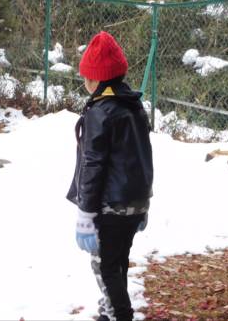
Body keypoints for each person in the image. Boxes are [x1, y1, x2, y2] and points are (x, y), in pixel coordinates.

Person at [66, 31, 153, 321]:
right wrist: (144, 202)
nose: (84, 82)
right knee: (117, 264)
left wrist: (86, 212)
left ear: (97, 78)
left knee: (105, 267)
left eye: (86, 76)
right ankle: (109, 312)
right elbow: (145, 157)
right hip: (133, 200)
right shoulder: (133, 106)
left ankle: (120, 315)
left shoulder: (101, 111)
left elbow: (93, 164)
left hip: (110, 205)